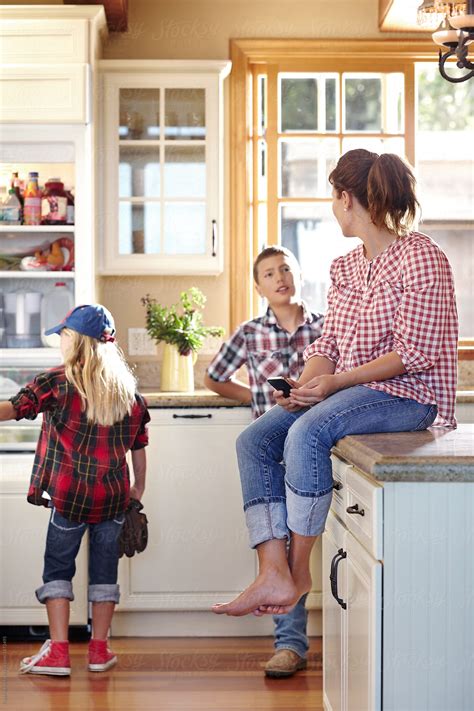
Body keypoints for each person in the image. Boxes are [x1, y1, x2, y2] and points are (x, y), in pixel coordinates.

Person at [211, 148, 458, 619]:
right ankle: (272, 570)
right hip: (351, 393)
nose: (332, 206)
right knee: (255, 440)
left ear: (346, 198)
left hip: (412, 396)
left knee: (308, 432)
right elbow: (332, 341)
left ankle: (298, 571)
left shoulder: (422, 257)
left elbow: (413, 353)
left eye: (333, 197)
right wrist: (304, 387)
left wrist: (335, 383)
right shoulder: (346, 266)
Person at [0, 304, 150, 676]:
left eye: (63, 335)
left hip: (69, 498)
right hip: (114, 499)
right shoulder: (127, 391)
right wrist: (137, 491)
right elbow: (139, 446)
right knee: (104, 571)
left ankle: (60, 652)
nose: (59, 341)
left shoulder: (57, 382)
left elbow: (14, 409)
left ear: (77, 341)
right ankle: (99, 651)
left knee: (58, 568)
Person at [205, 246, 324, 678]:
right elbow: (214, 376)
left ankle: (301, 640)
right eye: (269, 274)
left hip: (319, 443)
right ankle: (289, 645)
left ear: (298, 274)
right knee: (280, 542)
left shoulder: (327, 327)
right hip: (270, 448)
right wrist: (257, 399)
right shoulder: (250, 332)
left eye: (286, 269)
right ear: (258, 287)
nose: (280, 278)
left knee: (297, 542)